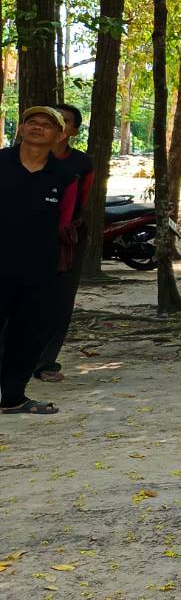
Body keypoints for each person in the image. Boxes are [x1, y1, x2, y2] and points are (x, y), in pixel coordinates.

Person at [2, 107, 79, 415]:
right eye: (31, 122)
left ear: (60, 135)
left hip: (38, 268)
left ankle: (12, 398)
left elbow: (64, 222)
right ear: (21, 129)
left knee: (28, 333)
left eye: (47, 124)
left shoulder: (65, 177)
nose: (37, 127)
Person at [34, 104, 95, 383]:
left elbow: (82, 200)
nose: (57, 125)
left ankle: (46, 363)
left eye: (65, 121)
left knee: (60, 302)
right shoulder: (15, 158)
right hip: (21, 237)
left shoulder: (80, 164)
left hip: (66, 239)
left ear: (73, 131)